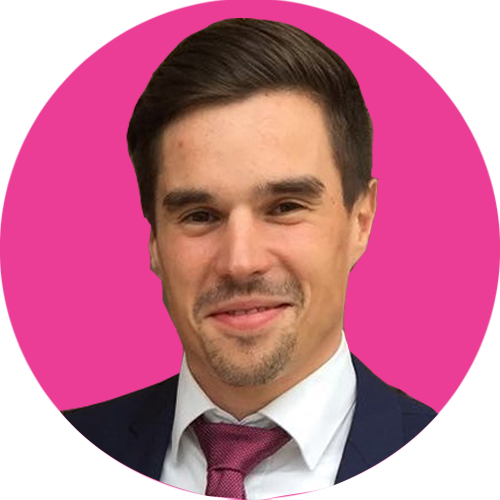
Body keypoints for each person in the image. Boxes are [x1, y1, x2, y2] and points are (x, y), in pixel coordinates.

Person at [62, 18, 437, 499]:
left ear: (360, 220)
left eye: (284, 208)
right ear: (154, 241)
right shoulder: (57, 454)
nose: (240, 262)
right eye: (200, 216)